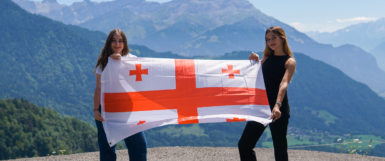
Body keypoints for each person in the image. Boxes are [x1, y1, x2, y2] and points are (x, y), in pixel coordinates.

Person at [238, 26, 296, 161]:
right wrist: (252, 63)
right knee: (244, 145)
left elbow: (284, 84)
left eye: (273, 38)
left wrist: (277, 105)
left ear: (282, 38)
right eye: (268, 39)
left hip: (278, 108)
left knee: (280, 148)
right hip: (261, 106)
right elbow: (251, 78)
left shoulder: (289, 61)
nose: (270, 41)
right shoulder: (265, 58)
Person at [93, 29, 147, 161]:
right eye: (114, 41)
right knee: (107, 150)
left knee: (139, 146)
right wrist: (95, 109)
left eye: (120, 41)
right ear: (109, 43)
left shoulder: (133, 61)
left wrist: (120, 61)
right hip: (106, 109)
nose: (117, 44)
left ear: (125, 43)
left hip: (128, 110)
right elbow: (98, 88)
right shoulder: (103, 63)